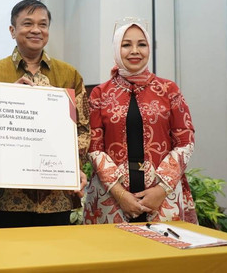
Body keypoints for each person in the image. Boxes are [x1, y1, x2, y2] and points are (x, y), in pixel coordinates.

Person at [0, 0, 91, 228]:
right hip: (7, 197)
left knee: (54, 260)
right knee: (10, 259)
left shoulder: (69, 75)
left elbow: (82, 129)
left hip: (57, 196)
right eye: (27, 23)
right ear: (12, 30)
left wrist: (71, 166)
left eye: (43, 24)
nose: (36, 30)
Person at [84, 18, 198, 224]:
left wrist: (161, 189)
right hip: (110, 197)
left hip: (164, 196)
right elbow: (94, 147)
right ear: (116, 49)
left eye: (142, 44)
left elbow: (185, 141)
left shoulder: (169, 90)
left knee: (165, 253)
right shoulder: (100, 93)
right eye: (126, 44)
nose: (134, 50)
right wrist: (120, 194)